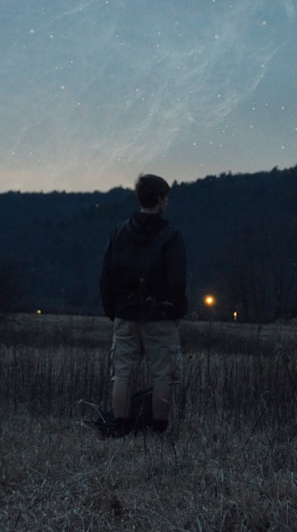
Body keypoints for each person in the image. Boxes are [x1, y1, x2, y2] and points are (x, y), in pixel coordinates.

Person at [99, 173, 188, 436]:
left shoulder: (118, 232)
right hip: (159, 315)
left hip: (125, 313)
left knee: (122, 372)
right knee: (163, 374)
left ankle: (120, 425)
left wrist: (112, 310)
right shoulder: (171, 236)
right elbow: (177, 280)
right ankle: (159, 429)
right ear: (160, 200)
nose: (167, 203)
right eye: (166, 198)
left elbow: (107, 276)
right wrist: (175, 310)